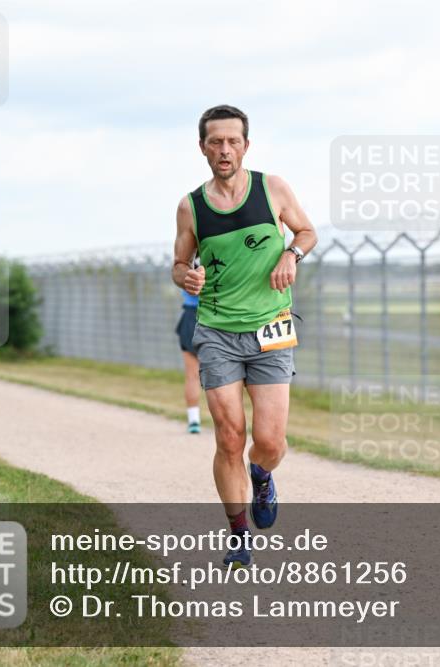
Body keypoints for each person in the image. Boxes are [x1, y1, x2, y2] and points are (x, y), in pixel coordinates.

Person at [171, 104, 317, 569]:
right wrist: (184, 277)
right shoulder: (190, 206)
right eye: (215, 142)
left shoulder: (271, 189)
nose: (225, 149)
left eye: (233, 141)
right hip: (216, 332)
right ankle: (238, 535)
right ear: (203, 148)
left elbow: (308, 231)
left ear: (246, 145)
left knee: (270, 441)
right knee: (229, 436)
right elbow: (179, 263)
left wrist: (291, 253)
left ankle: (262, 475)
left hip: (272, 327)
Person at [175, 287, 202, 433]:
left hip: (191, 314)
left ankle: (194, 420)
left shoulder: (188, 264)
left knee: (192, 375)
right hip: (216, 316)